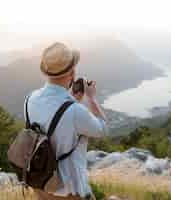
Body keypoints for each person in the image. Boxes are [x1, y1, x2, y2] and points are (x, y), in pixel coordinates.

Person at [25, 42, 108, 200]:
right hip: (69, 192)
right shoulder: (74, 111)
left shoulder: (29, 99)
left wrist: (71, 99)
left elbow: (49, 126)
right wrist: (91, 98)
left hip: (41, 186)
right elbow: (103, 129)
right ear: (72, 72)